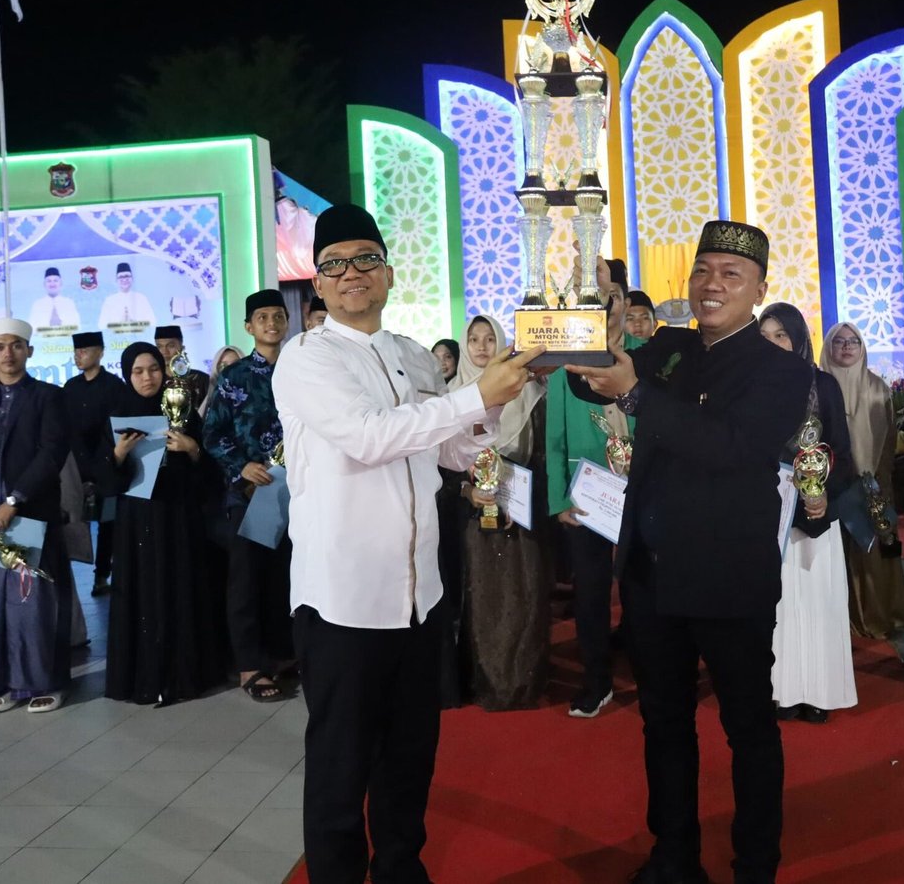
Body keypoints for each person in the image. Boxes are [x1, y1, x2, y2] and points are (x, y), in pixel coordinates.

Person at [274, 203, 539, 884]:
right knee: (341, 766)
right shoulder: (306, 359)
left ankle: (402, 870)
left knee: (409, 759)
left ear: (388, 274)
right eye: (333, 265)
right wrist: (472, 393)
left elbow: (451, 447)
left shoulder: (412, 356)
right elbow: (369, 437)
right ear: (321, 284)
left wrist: (501, 399)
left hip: (420, 595)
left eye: (365, 259)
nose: (350, 274)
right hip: (344, 602)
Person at [567, 220, 812, 884]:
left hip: (730, 578)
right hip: (652, 573)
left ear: (760, 288)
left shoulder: (785, 371)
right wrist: (596, 332)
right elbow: (594, 381)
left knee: (748, 728)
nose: (712, 284)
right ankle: (673, 856)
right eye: (703, 270)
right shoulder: (669, 347)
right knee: (662, 723)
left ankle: (755, 864)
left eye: (731, 274)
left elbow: (730, 444)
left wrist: (638, 394)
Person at [0, 317, 73, 714]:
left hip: (30, 516)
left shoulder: (48, 397)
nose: (8, 353)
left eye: (17, 345)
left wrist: (13, 501)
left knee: (34, 602)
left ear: (30, 351)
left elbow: (51, 453)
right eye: (0, 346)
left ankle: (44, 681)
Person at [546, 263, 642, 719]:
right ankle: (597, 680)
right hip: (587, 501)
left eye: (614, 295)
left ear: (625, 302)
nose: (605, 305)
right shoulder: (568, 363)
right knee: (590, 594)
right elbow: (554, 438)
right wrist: (559, 499)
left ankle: (651, 670)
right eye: (593, 297)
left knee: (645, 590)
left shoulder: (649, 355)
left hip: (644, 497)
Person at [104, 343, 224, 706]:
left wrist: (191, 448)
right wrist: (119, 454)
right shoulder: (119, 412)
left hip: (178, 518)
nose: (147, 377)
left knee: (179, 588)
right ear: (127, 375)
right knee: (141, 594)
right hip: (136, 523)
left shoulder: (184, 411)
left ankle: (185, 674)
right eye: (138, 371)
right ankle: (142, 677)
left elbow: (211, 472)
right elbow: (102, 479)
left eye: (153, 369)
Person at [760, 303, 857, 724]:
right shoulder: (745, 387)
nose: (772, 343)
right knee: (774, 609)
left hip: (814, 511)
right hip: (764, 511)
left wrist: (822, 497)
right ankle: (779, 691)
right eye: (764, 336)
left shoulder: (824, 386)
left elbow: (841, 450)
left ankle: (819, 691)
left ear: (798, 339)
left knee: (818, 603)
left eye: (781, 335)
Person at [452, 314, 551, 711]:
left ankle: (521, 682)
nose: (480, 346)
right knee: (480, 600)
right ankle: (481, 679)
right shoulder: (450, 398)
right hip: (471, 519)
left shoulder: (528, 394)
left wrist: (519, 498)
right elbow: (439, 468)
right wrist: (467, 490)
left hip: (521, 515)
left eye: (489, 338)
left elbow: (542, 453)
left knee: (523, 595)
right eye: (473, 339)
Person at [202, 289, 295, 702]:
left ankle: (287, 654)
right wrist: (241, 466)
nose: (272, 323)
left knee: (291, 575)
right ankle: (251, 664)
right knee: (248, 580)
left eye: (278, 315)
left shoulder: (303, 369)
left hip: (301, 490)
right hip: (249, 493)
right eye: (262, 317)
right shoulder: (234, 377)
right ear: (248, 326)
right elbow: (212, 434)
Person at [823, 322, 904, 640]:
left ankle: (878, 615)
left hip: (872, 485)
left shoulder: (878, 388)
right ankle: (838, 621)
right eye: (839, 342)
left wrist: (877, 483)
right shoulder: (817, 385)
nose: (846, 347)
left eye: (853, 342)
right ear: (828, 348)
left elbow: (888, 440)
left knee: (873, 552)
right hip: (829, 487)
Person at [62, 331, 123, 597]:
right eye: (76, 352)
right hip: (76, 465)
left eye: (84, 351)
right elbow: (66, 430)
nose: (79, 356)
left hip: (108, 464)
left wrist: (102, 463)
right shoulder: (71, 388)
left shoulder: (114, 387)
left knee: (109, 522)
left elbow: (113, 430)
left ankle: (102, 575)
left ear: (100, 352)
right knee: (75, 521)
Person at [154, 324, 211, 404]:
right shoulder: (153, 380)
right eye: (159, 347)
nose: (164, 352)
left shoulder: (201, 379)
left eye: (170, 346)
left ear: (182, 348)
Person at [97, 261, 156, 330]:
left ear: (132, 279)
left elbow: (152, 322)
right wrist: (119, 325)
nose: (124, 279)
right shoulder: (110, 300)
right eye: (121, 277)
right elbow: (102, 325)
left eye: (127, 276)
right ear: (116, 280)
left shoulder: (141, 298)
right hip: (116, 339)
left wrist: (134, 324)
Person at [198, 345, 243, 418]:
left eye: (236, 364)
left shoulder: (256, 396)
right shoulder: (210, 402)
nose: (230, 370)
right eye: (223, 366)